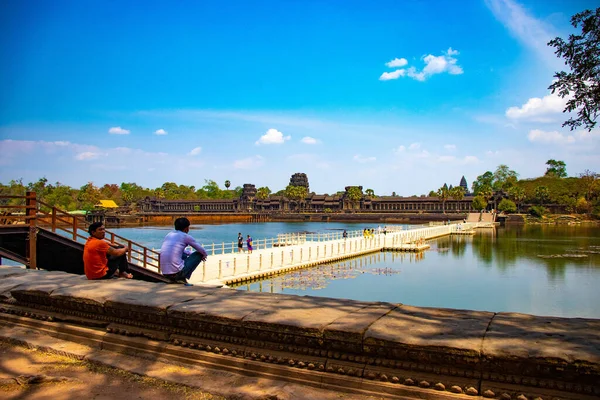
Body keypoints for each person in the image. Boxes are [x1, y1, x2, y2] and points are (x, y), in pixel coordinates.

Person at [159, 217, 207, 285]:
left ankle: (180, 278)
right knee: (199, 254)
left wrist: (189, 253)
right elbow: (203, 251)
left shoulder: (169, 235)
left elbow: (179, 251)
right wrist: (203, 256)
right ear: (186, 228)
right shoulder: (185, 236)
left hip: (165, 273)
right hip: (177, 273)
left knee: (182, 253)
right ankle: (182, 278)